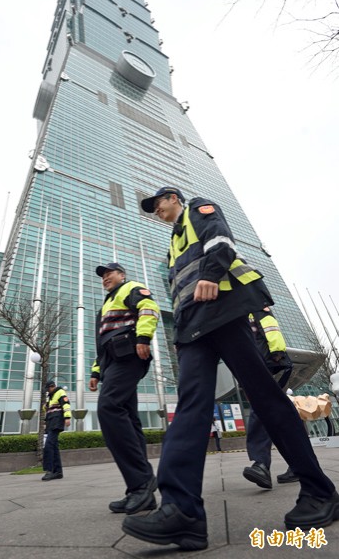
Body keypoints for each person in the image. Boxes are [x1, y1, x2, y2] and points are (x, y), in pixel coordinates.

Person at [122, 186, 339, 551]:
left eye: (157, 204)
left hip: (221, 308)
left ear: (173, 197)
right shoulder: (173, 242)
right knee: (191, 403)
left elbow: (220, 239)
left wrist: (210, 273)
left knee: (266, 399)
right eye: (152, 209)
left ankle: (320, 492)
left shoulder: (198, 210)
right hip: (194, 323)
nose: (156, 211)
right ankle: (183, 511)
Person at [89, 262, 160, 515]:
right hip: (111, 362)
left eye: (110, 273)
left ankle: (141, 482)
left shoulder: (132, 288)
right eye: (103, 276)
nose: (105, 277)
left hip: (129, 354)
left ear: (122, 275)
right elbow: (101, 344)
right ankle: (140, 491)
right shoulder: (105, 305)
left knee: (109, 408)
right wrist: (96, 372)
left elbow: (149, 309)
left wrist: (143, 338)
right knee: (129, 419)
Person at [243, 308, 298, 489]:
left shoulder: (254, 307)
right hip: (257, 363)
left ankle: (261, 464)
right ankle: (298, 464)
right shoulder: (242, 310)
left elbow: (271, 327)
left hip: (267, 362)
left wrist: (277, 353)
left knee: (260, 412)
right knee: (274, 414)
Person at [42, 380, 71, 481]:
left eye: (48, 389)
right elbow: (48, 409)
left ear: (52, 386)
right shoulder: (51, 396)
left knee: (49, 445)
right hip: (51, 422)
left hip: (56, 421)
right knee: (53, 446)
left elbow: (66, 404)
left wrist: (67, 417)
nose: (47, 391)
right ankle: (58, 472)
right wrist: (45, 406)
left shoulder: (60, 392)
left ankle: (49, 470)